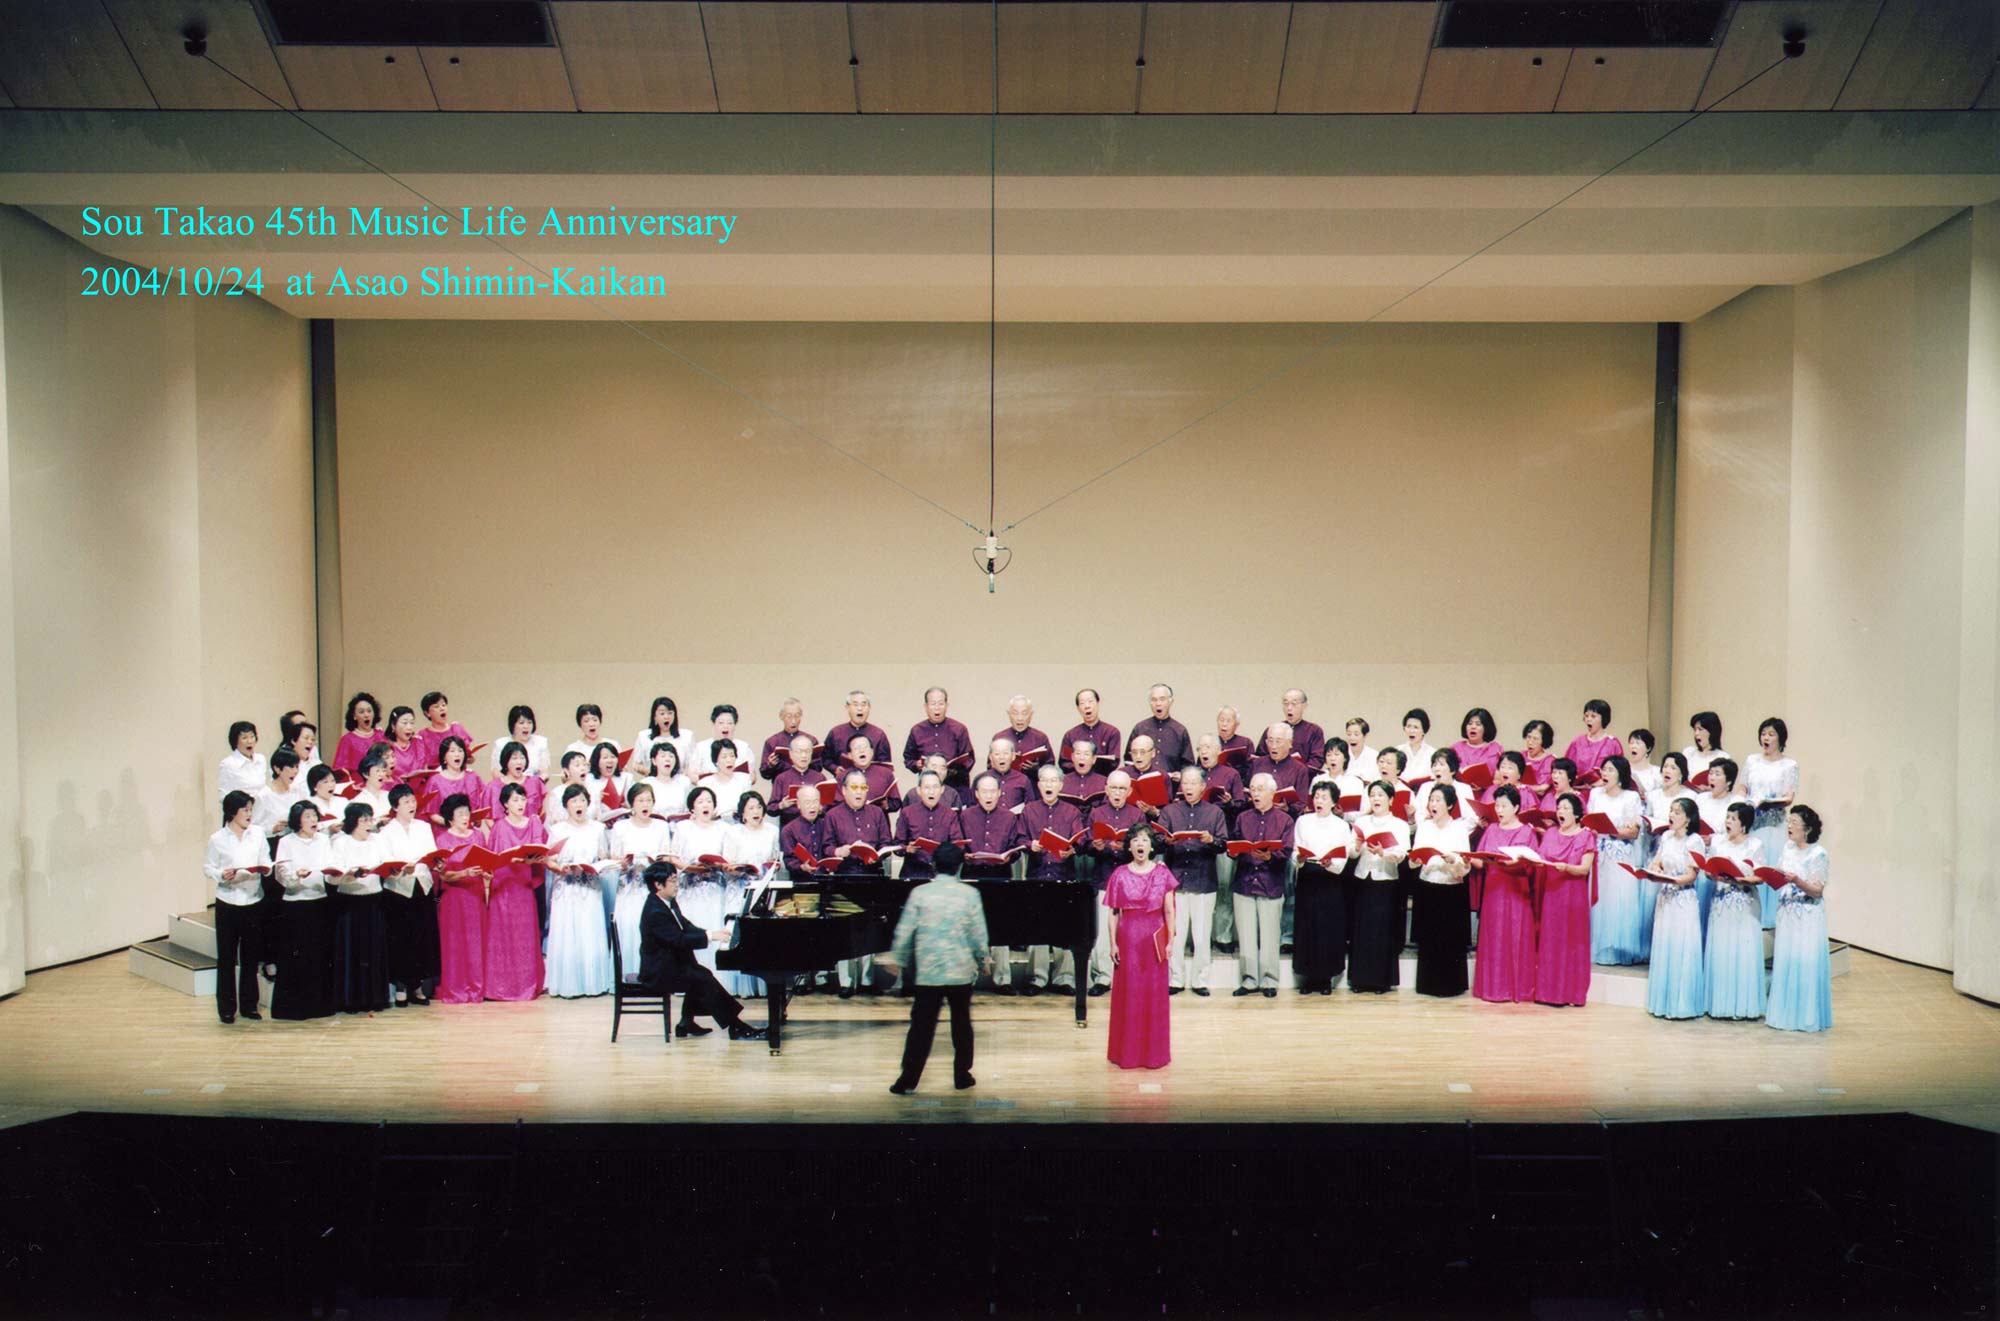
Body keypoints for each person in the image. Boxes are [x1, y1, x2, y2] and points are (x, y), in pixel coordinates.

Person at [880, 842, 988, 1093]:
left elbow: (905, 929)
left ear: (933, 865)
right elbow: (977, 933)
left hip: (929, 972)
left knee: (921, 1027)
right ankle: (962, 1075)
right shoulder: (970, 895)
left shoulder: (920, 894)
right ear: (959, 866)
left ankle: (907, 1080)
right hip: (961, 970)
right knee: (962, 1023)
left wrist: (897, 958)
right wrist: (983, 960)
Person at [637, 862, 767, 1041]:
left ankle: (686, 1023)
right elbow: (678, 940)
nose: (677, 885)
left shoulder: (666, 901)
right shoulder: (655, 911)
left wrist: (711, 933)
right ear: (658, 885)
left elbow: (685, 925)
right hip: (658, 971)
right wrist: (710, 936)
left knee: (699, 974)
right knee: (702, 978)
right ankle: (736, 1026)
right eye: (673, 881)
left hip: (670, 963)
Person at [1103, 825, 1177, 1070]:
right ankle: (1127, 1053)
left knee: (1153, 995)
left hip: (1154, 939)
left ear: (1151, 846)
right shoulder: (1119, 874)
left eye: (1144, 840)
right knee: (1130, 994)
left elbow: (1169, 911)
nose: (1140, 844)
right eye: (1135, 840)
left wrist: (1170, 941)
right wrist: (1113, 943)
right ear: (1130, 847)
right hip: (1128, 940)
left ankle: (1153, 1054)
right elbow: (1114, 913)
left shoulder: (1163, 873)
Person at [1766, 805, 1832, 1032]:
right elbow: (1780, 872)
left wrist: (1797, 881)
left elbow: (1817, 891)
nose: (1789, 826)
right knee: (1787, 959)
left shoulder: (1818, 854)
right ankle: (1785, 1014)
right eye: (1789, 821)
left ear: (1808, 828)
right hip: (1787, 913)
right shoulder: (1787, 848)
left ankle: (1806, 1016)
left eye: (1794, 822)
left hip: (1807, 915)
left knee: (1805, 961)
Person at [1021, 763, 1086, 995]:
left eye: (1053, 781)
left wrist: (1072, 849)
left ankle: (1064, 978)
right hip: (1037, 874)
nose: (1049, 785)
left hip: (1063, 876)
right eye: (1045, 781)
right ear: (1038, 785)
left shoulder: (1072, 812)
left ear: (1060, 785)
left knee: (1063, 928)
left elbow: (1081, 840)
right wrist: (1030, 844)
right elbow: (1019, 837)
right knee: (1037, 927)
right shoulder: (1029, 810)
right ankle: (1037, 978)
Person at [1161, 766, 1226, 995]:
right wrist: (1166, 841)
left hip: (1203, 880)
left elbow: (1223, 844)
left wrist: (1211, 840)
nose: (1188, 787)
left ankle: (1200, 980)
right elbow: (1158, 839)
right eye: (1185, 783)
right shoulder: (1169, 811)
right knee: (1175, 935)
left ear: (1203, 786)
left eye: (1193, 783)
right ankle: (1176, 979)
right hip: (1176, 881)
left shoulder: (1214, 812)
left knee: (1201, 934)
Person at [205, 791, 269, 1023]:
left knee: (250, 957)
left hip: (253, 900)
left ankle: (249, 1006)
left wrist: (266, 868)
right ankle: (226, 1009)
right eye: (245, 810)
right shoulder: (217, 839)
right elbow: (208, 867)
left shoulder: (258, 834)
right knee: (227, 958)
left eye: (251, 809)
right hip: (228, 902)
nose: (250, 814)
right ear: (232, 812)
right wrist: (221, 874)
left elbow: (265, 860)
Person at [1471, 786, 1539, 1004]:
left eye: (1504, 806)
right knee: (1494, 936)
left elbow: (1533, 865)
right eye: (1497, 806)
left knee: (1514, 934)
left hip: (1516, 889)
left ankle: (1514, 989)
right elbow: (1480, 861)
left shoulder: (1527, 832)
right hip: (1493, 889)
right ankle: (1492, 988)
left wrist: (1513, 862)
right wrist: (1467, 857)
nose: (1499, 810)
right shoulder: (1491, 829)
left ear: (1516, 807)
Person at [1230, 773, 1294, 998]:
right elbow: (1234, 842)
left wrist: (1270, 857)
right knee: (1246, 934)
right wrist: (1233, 851)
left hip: (1270, 883)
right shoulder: (1243, 817)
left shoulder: (1284, 820)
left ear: (1272, 793)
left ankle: (1269, 980)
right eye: (1253, 789)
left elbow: (1287, 851)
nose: (1255, 794)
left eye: (1260, 789)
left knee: (1269, 934)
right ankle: (1249, 980)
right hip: (1244, 881)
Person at [1084, 771, 1147, 995]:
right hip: (1104, 878)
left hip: (1131, 880)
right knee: (1104, 931)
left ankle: (1131, 976)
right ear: (1106, 790)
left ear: (1129, 792)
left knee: (1131, 930)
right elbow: (1085, 845)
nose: (1117, 792)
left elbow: (1145, 847)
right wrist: (1096, 846)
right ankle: (1103, 976)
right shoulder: (1096, 813)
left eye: (1122, 789)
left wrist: (1128, 848)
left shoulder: (1137, 814)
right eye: (1114, 788)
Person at [271, 800, 336, 1021]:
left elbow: (330, 870)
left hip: (319, 902)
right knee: (296, 957)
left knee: (319, 955)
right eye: (308, 816)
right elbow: (281, 876)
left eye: (315, 816)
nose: (313, 820)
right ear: (297, 820)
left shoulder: (324, 840)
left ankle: (320, 1006)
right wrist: (296, 875)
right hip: (295, 904)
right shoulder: (286, 842)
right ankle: (293, 1008)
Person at [543, 784, 609, 999]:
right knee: (568, 932)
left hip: (590, 887)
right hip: (566, 888)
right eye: (573, 801)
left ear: (588, 803)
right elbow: (549, 860)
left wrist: (601, 864)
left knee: (589, 931)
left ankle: (592, 984)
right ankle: (568, 985)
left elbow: (603, 857)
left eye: (582, 800)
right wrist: (560, 869)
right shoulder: (558, 830)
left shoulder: (598, 828)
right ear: (566, 806)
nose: (578, 805)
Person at [1644, 798, 1707, 1020]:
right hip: (1666, 897)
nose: (1671, 815)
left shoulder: (1695, 841)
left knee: (1682, 947)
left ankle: (1681, 1005)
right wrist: (1655, 869)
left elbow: (1691, 875)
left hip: (1683, 898)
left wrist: (1673, 880)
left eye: (1677, 812)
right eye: (1671, 810)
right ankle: (1663, 1002)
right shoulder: (1666, 837)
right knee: (1665, 945)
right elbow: (1657, 861)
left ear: (1688, 819)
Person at [377, 784, 440, 1006]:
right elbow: (385, 861)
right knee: (401, 939)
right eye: (406, 802)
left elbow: (432, 854)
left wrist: (435, 862)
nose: (412, 805)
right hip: (398, 890)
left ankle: (418, 986)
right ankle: (401, 986)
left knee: (422, 938)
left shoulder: (423, 827)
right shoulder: (386, 832)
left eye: (413, 800)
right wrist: (400, 869)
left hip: (422, 885)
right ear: (395, 807)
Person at [1704, 802, 1766, 1021]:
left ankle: (1742, 1006)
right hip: (1721, 901)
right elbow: (1708, 871)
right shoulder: (1718, 842)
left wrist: (1739, 878)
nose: (1728, 822)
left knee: (1742, 951)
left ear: (1744, 824)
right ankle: (1719, 1004)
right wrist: (1714, 874)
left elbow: (1759, 876)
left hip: (1745, 903)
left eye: (1733, 818)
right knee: (1722, 949)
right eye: (1727, 817)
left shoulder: (1755, 845)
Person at [1292, 782, 1355, 995]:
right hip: (1308, 876)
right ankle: (1308, 978)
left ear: (1334, 802)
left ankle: (1326, 978)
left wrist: (1331, 864)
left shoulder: (1341, 825)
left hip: (1330, 878)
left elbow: (1343, 855)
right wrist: (1299, 858)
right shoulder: (1303, 821)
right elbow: (1296, 849)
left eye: (1324, 797)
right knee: (1307, 926)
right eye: (1317, 796)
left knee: (1328, 927)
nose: (1319, 801)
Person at [328, 802, 392, 1012]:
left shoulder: (377, 840)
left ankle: (374, 999)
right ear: (353, 822)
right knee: (351, 952)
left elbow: (388, 863)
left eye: (370, 819)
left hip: (374, 900)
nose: (369, 824)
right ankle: (350, 1000)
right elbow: (332, 877)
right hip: (349, 902)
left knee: (373, 951)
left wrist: (393, 869)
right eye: (364, 820)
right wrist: (351, 874)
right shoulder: (341, 842)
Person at [1411, 784, 1473, 997]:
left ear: (1450, 805)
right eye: (1431, 800)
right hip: (1428, 885)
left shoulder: (1459, 829)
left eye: (1438, 800)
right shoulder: (1424, 827)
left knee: (1449, 940)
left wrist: (1453, 860)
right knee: (1428, 938)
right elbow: (1414, 859)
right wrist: (1416, 859)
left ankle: (1450, 986)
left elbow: (1465, 866)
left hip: (1450, 889)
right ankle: (1427, 984)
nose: (1433, 804)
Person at [1587, 755, 1649, 965]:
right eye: (1604, 769)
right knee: (1600, 898)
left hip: (1620, 853)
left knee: (1619, 898)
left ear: (1621, 775)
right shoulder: (1595, 794)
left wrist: (1611, 831)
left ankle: (1619, 950)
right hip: (1599, 853)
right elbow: (1589, 822)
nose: (1605, 774)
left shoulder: (1630, 798)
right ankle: (1599, 948)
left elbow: (1634, 831)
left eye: (1610, 770)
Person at [1348, 781, 1409, 994]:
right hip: (1363, 878)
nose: (1376, 799)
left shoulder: (1400, 825)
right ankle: (1359, 980)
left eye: (1381, 795)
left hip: (1386, 880)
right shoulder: (1361, 822)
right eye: (1372, 795)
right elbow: (1351, 853)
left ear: (1390, 800)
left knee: (1382, 931)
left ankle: (1380, 981)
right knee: (1362, 930)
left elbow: (1401, 854)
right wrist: (1356, 847)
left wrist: (1384, 853)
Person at [1535, 793, 1595, 1007]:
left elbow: (1584, 869)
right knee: (1551, 940)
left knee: (1571, 940)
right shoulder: (1551, 833)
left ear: (1577, 814)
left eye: (1566, 808)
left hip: (1573, 894)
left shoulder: (1586, 836)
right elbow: (1540, 858)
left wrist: (1567, 868)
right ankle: (1547, 993)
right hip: (1552, 893)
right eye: (1559, 808)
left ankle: (1570, 993)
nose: (1561, 812)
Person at [1742, 717, 1799, 929]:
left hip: (1774, 824)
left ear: (1780, 738)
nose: (1766, 738)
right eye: (1763, 733)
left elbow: (1789, 797)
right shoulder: (1752, 761)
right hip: (1753, 822)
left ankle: (1770, 920)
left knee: (1771, 864)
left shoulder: (1789, 765)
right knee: (1752, 863)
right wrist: (1742, 802)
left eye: (1771, 734)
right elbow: (1743, 787)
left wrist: (1769, 802)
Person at [433, 794, 490, 1004]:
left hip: (475, 896)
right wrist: (464, 873)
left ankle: (477, 988)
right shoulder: (442, 840)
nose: (465, 817)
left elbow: (486, 863)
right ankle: (456, 988)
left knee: (475, 942)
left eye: (467, 813)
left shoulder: (478, 836)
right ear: (450, 818)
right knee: (455, 944)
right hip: (454, 899)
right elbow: (443, 875)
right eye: (460, 814)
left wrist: (487, 872)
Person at [898, 769, 966, 881]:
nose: (931, 792)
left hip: (942, 874)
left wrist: (946, 852)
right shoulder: (907, 812)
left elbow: (958, 845)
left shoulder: (950, 814)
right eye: (927, 787)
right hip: (914, 872)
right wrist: (907, 849)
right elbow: (897, 845)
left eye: (935, 787)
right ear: (919, 790)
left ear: (942, 790)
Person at [903, 686, 975, 789]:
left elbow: (969, 759)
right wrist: (916, 764)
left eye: (941, 704)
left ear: (947, 705)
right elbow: (908, 758)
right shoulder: (916, 730)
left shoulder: (959, 729)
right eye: (933, 704)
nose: (937, 708)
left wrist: (951, 771)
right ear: (926, 707)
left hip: (956, 786)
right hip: (928, 787)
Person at [1130, 683, 1193, 773]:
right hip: (1143, 779)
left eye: (1162, 699)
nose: (1158, 704)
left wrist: (1181, 775)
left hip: (1170, 781)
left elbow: (1188, 765)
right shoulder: (1140, 728)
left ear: (1170, 701)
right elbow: (1129, 759)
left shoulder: (1180, 730)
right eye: (1154, 700)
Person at [1255, 688, 1326, 767]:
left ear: (1304, 706)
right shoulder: (1273, 729)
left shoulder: (1314, 731)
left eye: (1294, 704)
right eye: (1286, 704)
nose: (1289, 708)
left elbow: (1317, 760)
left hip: (1302, 773)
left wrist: (1298, 770)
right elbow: (1260, 756)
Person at [825, 690, 892, 768]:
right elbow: (825, 758)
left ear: (869, 707)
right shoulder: (836, 733)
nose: (860, 708)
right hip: (844, 775)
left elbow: (885, 763)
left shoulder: (879, 734)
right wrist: (835, 769)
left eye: (864, 705)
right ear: (847, 708)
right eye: (855, 705)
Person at [1063, 687, 1122, 773]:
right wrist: (1083, 769)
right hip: (1076, 778)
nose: (1087, 706)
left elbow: (1114, 761)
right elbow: (1065, 762)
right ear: (1078, 708)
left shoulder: (1112, 732)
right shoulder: (1070, 735)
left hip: (1103, 778)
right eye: (1082, 703)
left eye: (1090, 701)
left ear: (1098, 703)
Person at [994, 694, 1056, 774]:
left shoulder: (1041, 738)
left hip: (1032, 781)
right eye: (1015, 713)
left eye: (1024, 713)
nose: (1020, 718)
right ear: (1009, 714)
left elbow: (1050, 767)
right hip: (1006, 781)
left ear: (1031, 715)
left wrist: (1037, 769)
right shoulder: (999, 738)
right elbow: (990, 767)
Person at [1565, 699, 1622, 784]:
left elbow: (1620, 772)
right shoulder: (1577, 742)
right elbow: (1566, 768)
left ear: (1603, 718)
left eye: (1593, 716)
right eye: (1586, 716)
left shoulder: (1613, 744)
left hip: (1604, 788)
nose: (1588, 719)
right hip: (1579, 788)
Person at [632, 695, 691, 777]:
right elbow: (636, 764)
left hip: (679, 780)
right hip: (653, 780)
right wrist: (655, 776)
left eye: (670, 713)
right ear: (654, 717)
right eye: (662, 714)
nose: (666, 717)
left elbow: (693, 764)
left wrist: (680, 779)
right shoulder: (643, 736)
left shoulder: (687, 736)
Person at [334, 693, 389, 778]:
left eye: (369, 711)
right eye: (361, 712)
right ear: (354, 716)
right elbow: (340, 770)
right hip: (357, 782)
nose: (366, 715)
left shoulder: (381, 736)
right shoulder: (347, 739)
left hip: (382, 780)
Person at [757, 697, 812, 781]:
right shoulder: (772, 742)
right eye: (789, 716)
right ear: (781, 716)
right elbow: (764, 774)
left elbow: (818, 768)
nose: (793, 721)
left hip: (806, 784)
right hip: (781, 785)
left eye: (797, 716)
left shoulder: (810, 740)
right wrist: (771, 765)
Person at [416, 691, 474, 769]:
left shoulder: (456, 728)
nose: (442, 708)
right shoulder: (422, 735)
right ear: (427, 713)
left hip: (459, 773)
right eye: (436, 707)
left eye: (444, 705)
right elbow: (421, 763)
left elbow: (469, 755)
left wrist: (469, 757)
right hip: (435, 775)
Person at [492, 703, 550, 777]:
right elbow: (496, 773)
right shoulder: (501, 744)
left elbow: (545, 772)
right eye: (521, 723)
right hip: (508, 783)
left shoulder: (541, 742)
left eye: (529, 722)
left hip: (533, 782)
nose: (526, 726)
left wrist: (534, 783)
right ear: (513, 725)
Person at [219, 721, 267, 803]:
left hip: (262, 807)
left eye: (252, 736)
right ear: (235, 741)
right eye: (244, 738)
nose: (249, 741)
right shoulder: (228, 764)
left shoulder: (261, 759)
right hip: (243, 808)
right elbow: (224, 796)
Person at [1451, 708, 1502, 780]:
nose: (1473, 727)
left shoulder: (1495, 748)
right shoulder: (1456, 748)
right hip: (1461, 786)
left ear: (1486, 728)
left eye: (1478, 724)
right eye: (1470, 723)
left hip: (1489, 787)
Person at [1683, 711, 1727, 784]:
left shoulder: (1723, 757)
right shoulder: (1688, 752)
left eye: (1700, 729)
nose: (1696, 733)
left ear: (1711, 731)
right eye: (1695, 730)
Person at [1397, 709, 1438, 787]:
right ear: (1404, 729)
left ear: (1424, 731)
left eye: (1416, 727)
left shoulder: (1433, 753)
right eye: (1408, 726)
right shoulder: (1397, 751)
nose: (1411, 731)